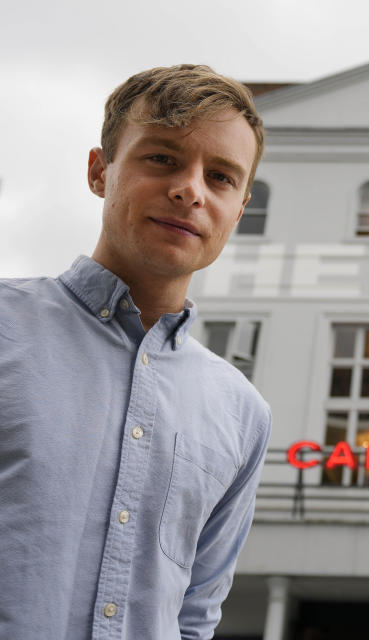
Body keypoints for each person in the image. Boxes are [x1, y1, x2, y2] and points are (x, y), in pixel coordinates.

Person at [0, 65, 271, 639]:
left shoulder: (243, 414)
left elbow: (196, 614)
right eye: (163, 158)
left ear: (239, 209)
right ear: (101, 171)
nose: (191, 190)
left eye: (220, 177)